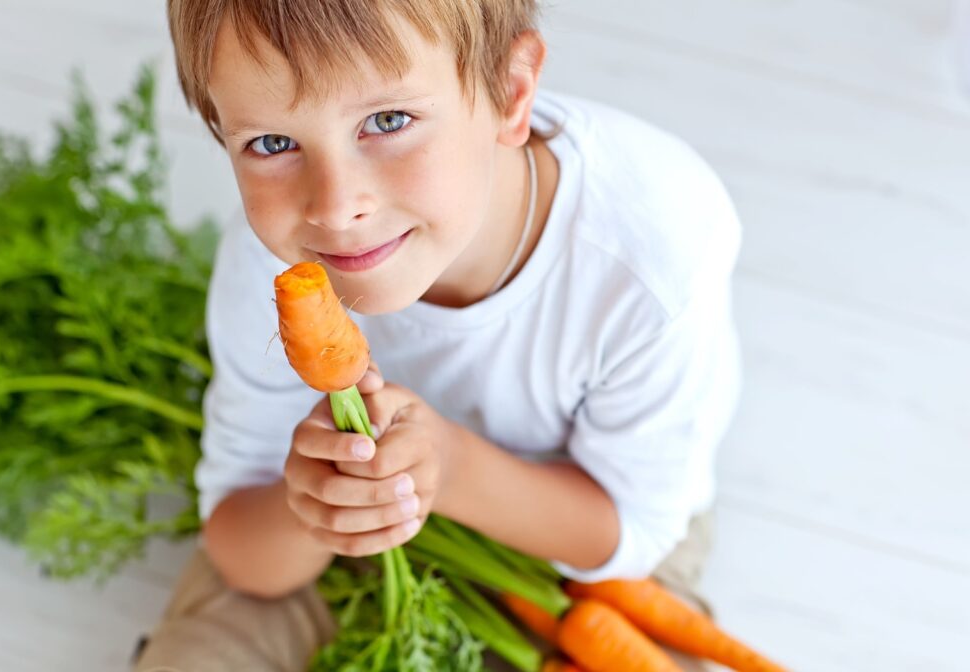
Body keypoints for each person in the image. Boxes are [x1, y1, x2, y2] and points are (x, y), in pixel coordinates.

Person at [133, 1, 743, 670]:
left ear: (510, 93)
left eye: (387, 121)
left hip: (572, 535)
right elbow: (248, 558)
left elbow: (626, 532)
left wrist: (447, 468)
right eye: (273, 144)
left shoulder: (649, 253)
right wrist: (314, 506)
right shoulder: (272, 267)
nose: (336, 208)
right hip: (346, 543)